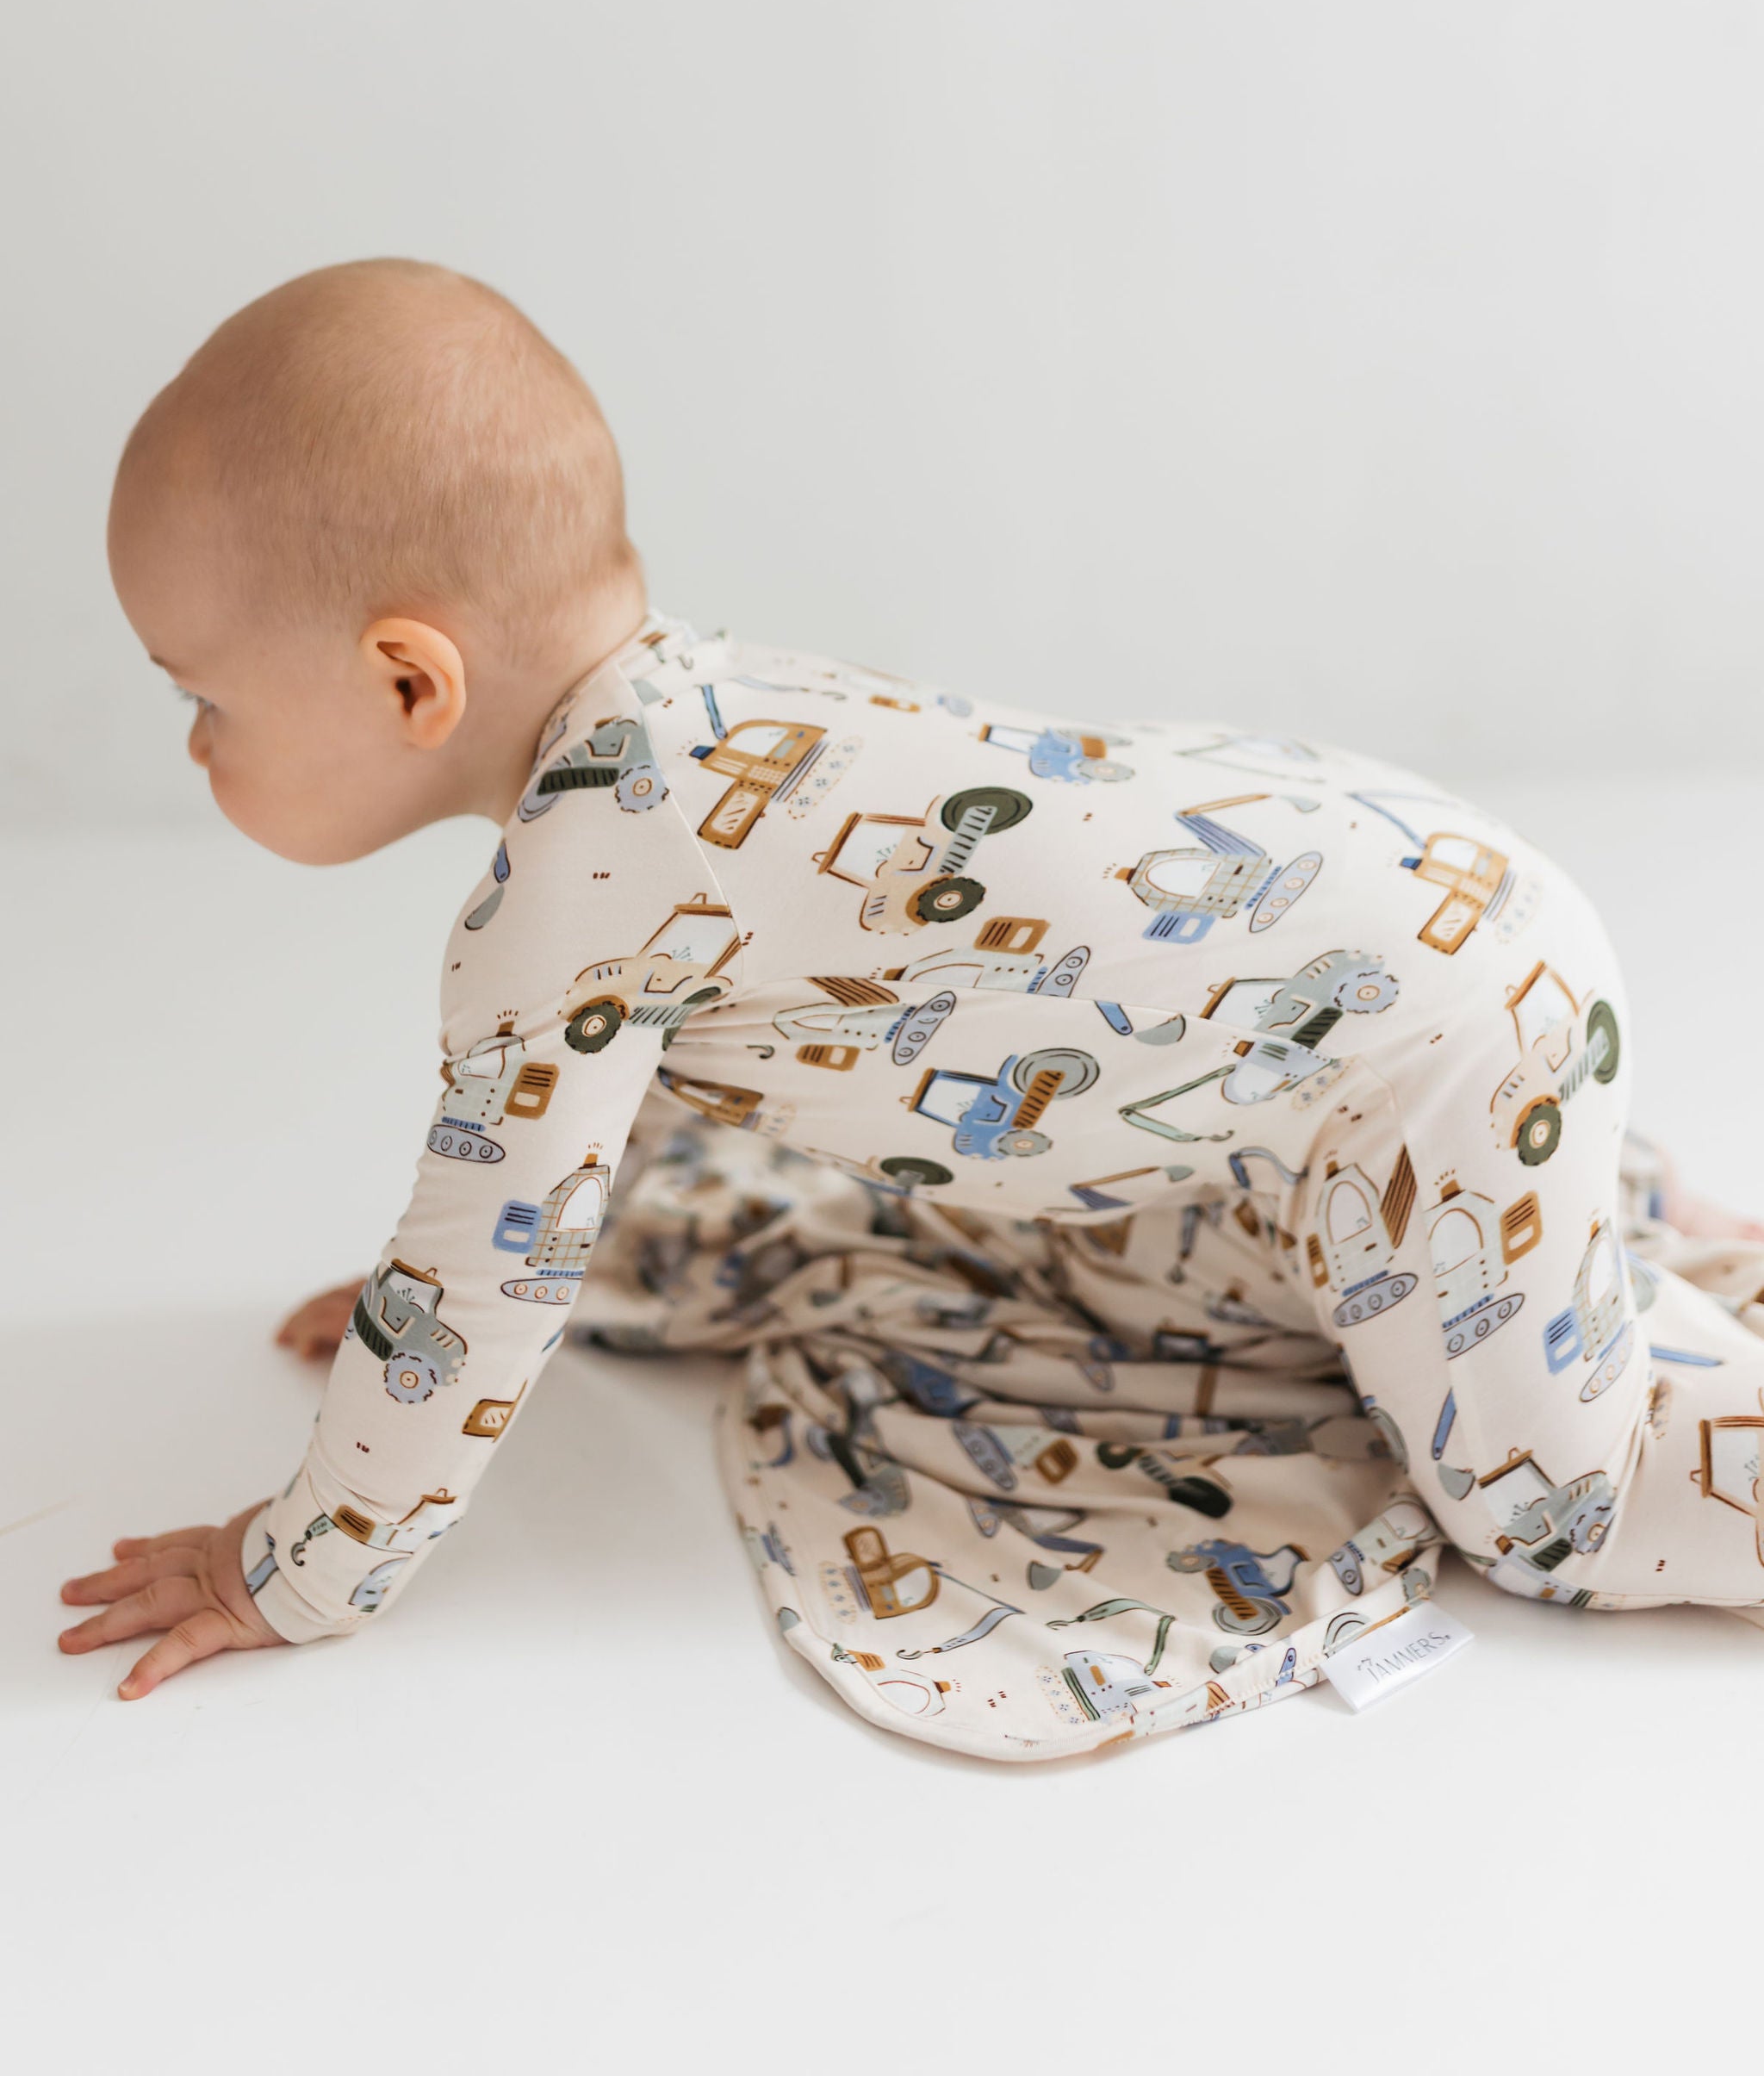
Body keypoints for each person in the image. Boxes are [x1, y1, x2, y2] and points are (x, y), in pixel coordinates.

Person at [61, 257, 1764, 1761]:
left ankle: (1594, 1271)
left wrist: (291, 1571)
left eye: (204, 700)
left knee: (1563, 1511)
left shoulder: (566, 904)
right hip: (1418, 905)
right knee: (1276, 1276)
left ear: (407, 679)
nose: (199, 745)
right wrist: (450, 1291)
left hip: (1439, 1043)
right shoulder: (710, 708)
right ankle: (1595, 1209)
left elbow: (479, 1286)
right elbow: (556, 1176)